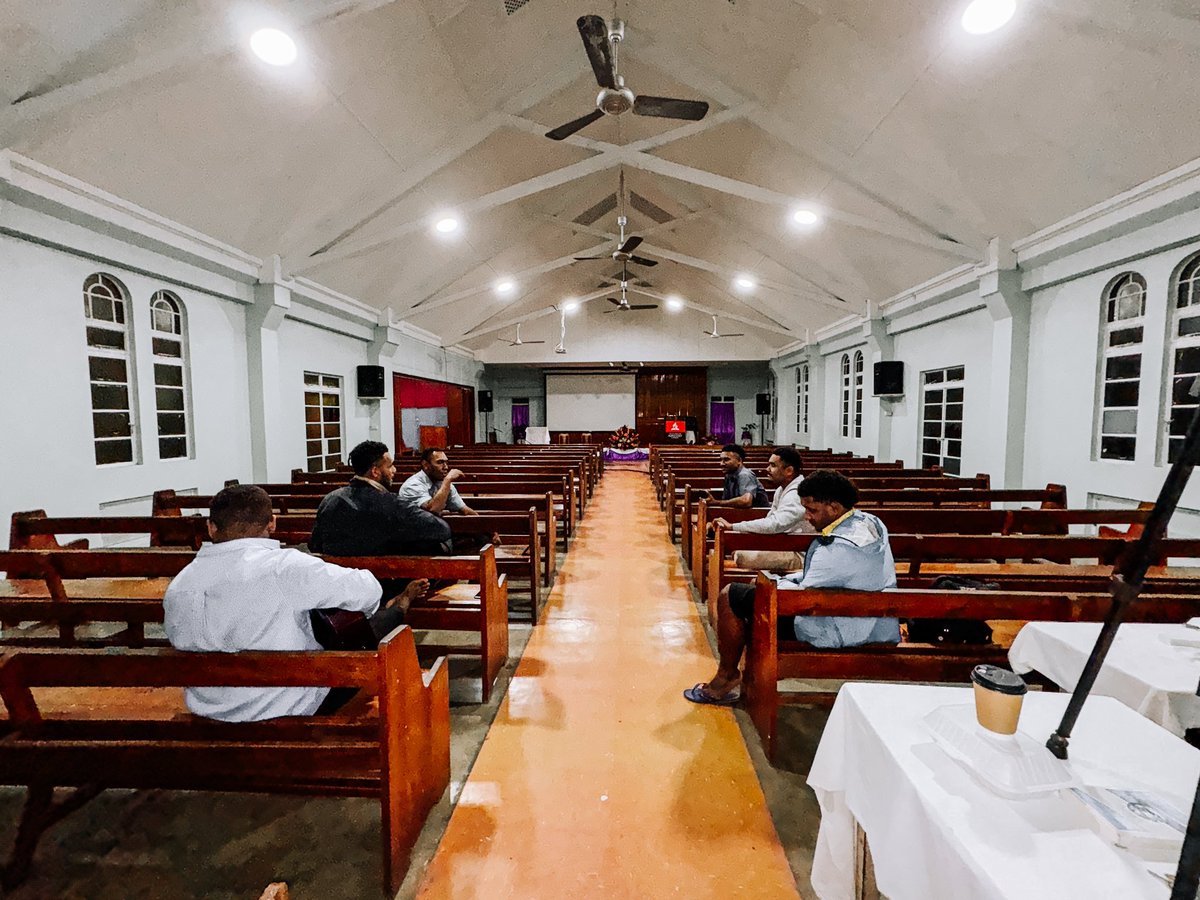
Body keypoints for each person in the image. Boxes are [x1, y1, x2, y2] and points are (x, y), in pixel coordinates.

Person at [163, 484, 428, 722]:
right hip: (285, 704)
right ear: (272, 523)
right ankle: (400, 607)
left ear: (210, 527)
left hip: (207, 707)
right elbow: (368, 591)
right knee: (357, 634)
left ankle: (395, 607)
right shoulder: (284, 566)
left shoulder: (180, 583)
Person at [684, 470, 900, 705]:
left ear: (834, 508)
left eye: (812, 510)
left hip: (837, 626)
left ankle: (727, 675)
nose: (807, 517)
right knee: (748, 595)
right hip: (874, 620)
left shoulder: (836, 548)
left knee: (730, 596)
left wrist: (767, 583)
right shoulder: (869, 521)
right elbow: (820, 578)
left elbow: (798, 597)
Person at [309, 440, 452, 557]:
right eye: (390, 466)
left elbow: (314, 544)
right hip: (385, 582)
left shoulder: (330, 499)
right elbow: (441, 529)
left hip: (342, 577)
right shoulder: (391, 503)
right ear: (375, 471)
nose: (394, 470)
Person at [397, 446, 501, 550]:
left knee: (482, 537)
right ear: (426, 465)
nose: (446, 467)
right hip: (416, 537)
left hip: (435, 531)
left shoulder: (443, 483)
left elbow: (464, 510)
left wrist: (488, 528)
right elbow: (433, 509)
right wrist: (447, 480)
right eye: (440, 462)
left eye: (446, 462)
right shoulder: (413, 485)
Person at [711, 446, 811, 534]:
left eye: (773, 465)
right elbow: (770, 520)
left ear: (789, 471)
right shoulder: (781, 489)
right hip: (783, 542)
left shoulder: (796, 493)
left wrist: (732, 526)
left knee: (739, 553)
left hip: (796, 549)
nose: (767, 469)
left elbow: (774, 524)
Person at [702, 444, 770, 510]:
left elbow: (746, 501)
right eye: (721, 460)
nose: (721, 463)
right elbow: (727, 500)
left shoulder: (745, 475)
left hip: (758, 515)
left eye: (726, 460)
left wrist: (717, 503)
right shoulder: (729, 475)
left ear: (739, 461)